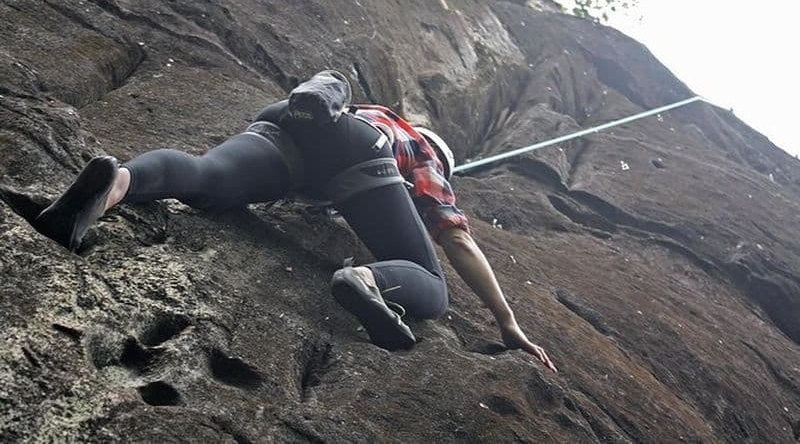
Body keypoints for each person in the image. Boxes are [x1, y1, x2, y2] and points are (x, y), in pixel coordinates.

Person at [36, 71, 556, 372]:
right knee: (434, 290)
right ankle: (369, 279)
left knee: (203, 178)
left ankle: (113, 187)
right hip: (354, 152)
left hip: (282, 122)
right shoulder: (420, 151)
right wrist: (507, 322)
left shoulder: (375, 112)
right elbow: (456, 237)